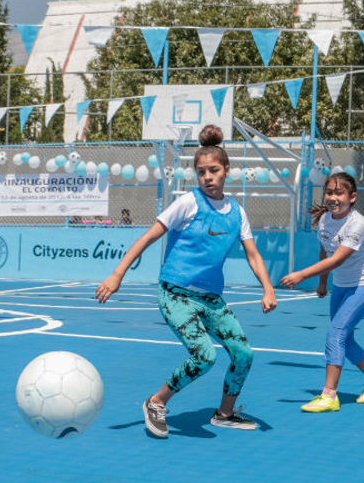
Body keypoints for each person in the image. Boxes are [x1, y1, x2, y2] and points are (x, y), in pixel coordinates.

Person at [95, 124, 277, 438]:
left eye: (214, 170)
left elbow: (253, 255)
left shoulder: (237, 213)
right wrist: (117, 274)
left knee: (244, 354)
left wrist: (268, 287)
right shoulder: (188, 203)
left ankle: (225, 413)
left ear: (226, 171)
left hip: (210, 300)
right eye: (201, 171)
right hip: (175, 294)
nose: (207, 177)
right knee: (205, 356)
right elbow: (148, 237)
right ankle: (156, 402)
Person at [280, 172, 364, 412]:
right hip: (341, 285)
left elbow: (337, 259)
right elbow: (325, 251)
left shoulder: (357, 224)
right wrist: (322, 283)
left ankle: (329, 396)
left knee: (336, 335)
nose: (333, 197)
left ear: (352, 197)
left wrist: (302, 275)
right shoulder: (325, 220)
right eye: (329, 192)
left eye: (339, 193)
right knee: (344, 338)